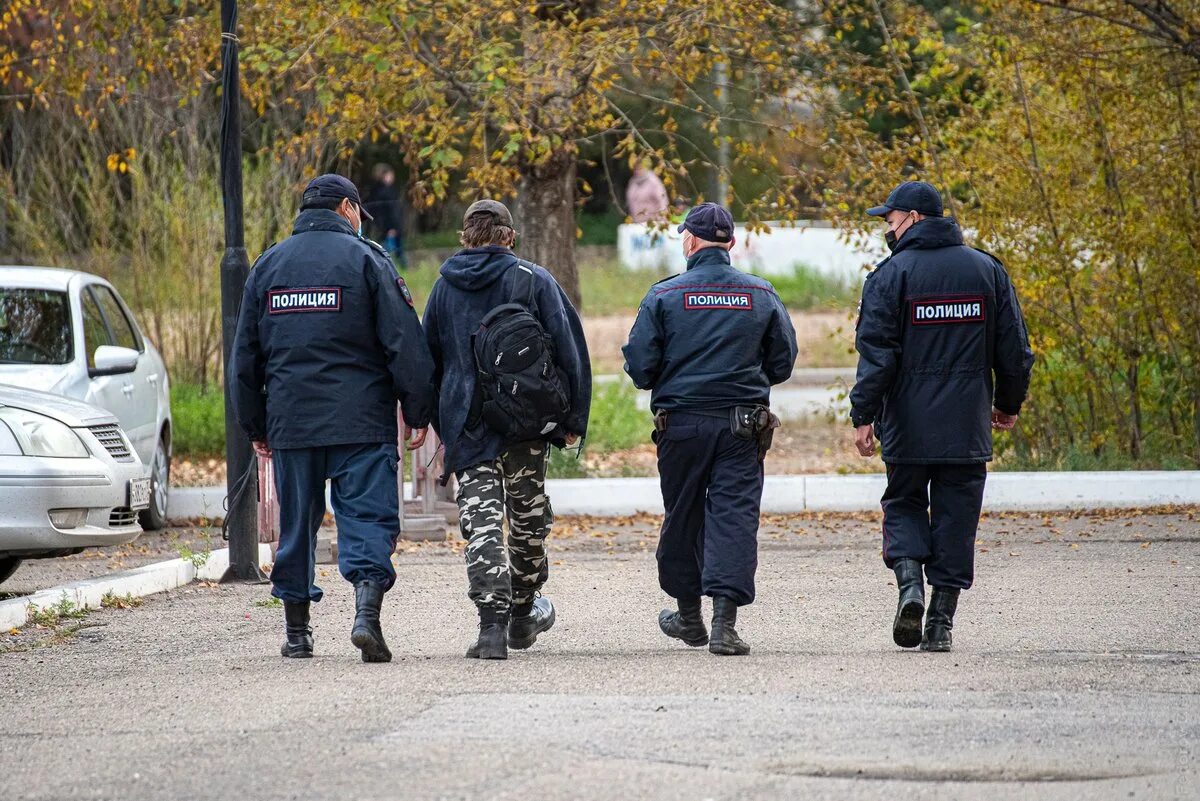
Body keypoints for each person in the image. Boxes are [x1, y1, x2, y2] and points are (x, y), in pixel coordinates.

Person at [230, 174, 435, 663]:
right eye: (359, 215)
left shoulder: (268, 267)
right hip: (361, 423)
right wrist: (419, 409)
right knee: (366, 519)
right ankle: (365, 618)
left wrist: (256, 426)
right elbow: (404, 342)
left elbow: (244, 359)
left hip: (292, 423)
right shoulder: (369, 261)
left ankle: (297, 635)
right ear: (347, 208)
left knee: (296, 526)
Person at [850, 180, 1034, 653]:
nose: (886, 230)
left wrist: (863, 414)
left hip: (908, 426)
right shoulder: (987, 271)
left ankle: (910, 586)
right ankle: (940, 625)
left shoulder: (889, 277)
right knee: (956, 519)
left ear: (912, 218)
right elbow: (1014, 350)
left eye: (889, 221)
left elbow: (877, 358)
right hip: (966, 425)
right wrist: (1009, 404)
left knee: (905, 502)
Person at [623, 202, 798, 656]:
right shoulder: (760, 294)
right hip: (742, 428)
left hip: (680, 427)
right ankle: (724, 623)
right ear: (732, 243)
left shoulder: (664, 295)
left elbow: (640, 367)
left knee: (684, 515)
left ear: (691, 241)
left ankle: (688, 616)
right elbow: (782, 363)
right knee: (734, 518)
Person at [422, 199, 591, 661]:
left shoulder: (444, 289)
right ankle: (522, 610)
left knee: (481, 524)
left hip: (468, 426)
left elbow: (426, 362)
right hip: (526, 425)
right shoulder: (534, 280)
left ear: (465, 238)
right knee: (528, 519)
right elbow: (569, 349)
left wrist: (428, 418)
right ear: (509, 237)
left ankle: (491, 627)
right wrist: (573, 421)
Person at [363, 163, 407, 267]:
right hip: (390, 227)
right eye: (390, 175)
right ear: (384, 175)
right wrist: (392, 227)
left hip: (385, 226)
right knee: (390, 249)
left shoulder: (378, 191)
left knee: (394, 250)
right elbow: (389, 212)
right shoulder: (385, 192)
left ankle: (401, 268)